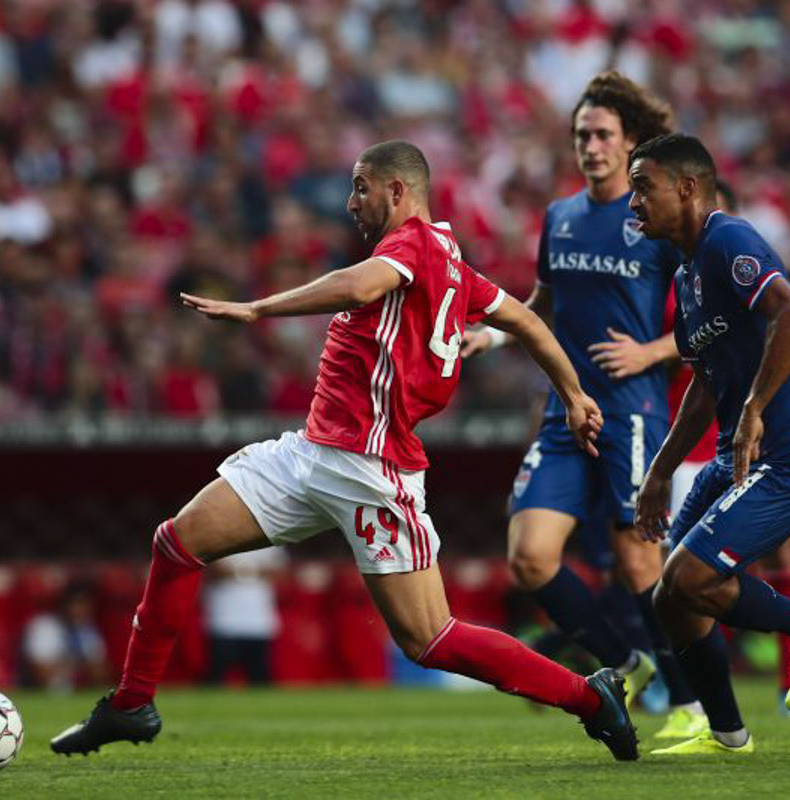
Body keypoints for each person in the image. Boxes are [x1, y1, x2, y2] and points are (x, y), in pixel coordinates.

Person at [50, 139, 639, 761]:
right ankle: (132, 704)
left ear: (398, 191)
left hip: (372, 472)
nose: (350, 202)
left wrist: (258, 309)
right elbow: (524, 320)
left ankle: (590, 696)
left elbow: (360, 288)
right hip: (312, 454)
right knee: (177, 542)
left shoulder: (411, 243)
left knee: (429, 638)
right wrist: (572, 393)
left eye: (361, 187)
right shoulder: (456, 267)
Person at [461, 72, 699, 726]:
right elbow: (542, 305)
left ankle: (691, 705)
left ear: (629, 144)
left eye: (601, 135)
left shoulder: (655, 222)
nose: (590, 146)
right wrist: (489, 335)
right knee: (530, 556)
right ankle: (626, 662)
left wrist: (650, 353)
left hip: (634, 410)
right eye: (580, 135)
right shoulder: (560, 218)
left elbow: (714, 317)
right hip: (567, 411)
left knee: (636, 559)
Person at [629, 133, 790, 755]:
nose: (633, 203)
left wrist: (755, 407)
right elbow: (703, 384)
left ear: (687, 187)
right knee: (669, 598)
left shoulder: (729, 239)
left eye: (643, 186)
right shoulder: (687, 274)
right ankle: (727, 735)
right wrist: (659, 471)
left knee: (690, 577)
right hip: (737, 456)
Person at [205, 547, 286, 687]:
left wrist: (236, 571)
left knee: (259, 678)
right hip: (223, 621)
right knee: (216, 677)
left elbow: (280, 573)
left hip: (259, 622)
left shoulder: (271, 541)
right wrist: (256, 571)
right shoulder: (217, 537)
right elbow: (215, 571)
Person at [21, 580, 110, 691]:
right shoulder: (44, 626)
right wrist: (75, 662)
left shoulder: (87, 629)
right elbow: (41, 675)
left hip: (79, 694)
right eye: (78, 604)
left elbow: (101, 675)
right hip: (46, 696)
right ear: (64, 605)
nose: (82, 610)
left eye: (86, 605)